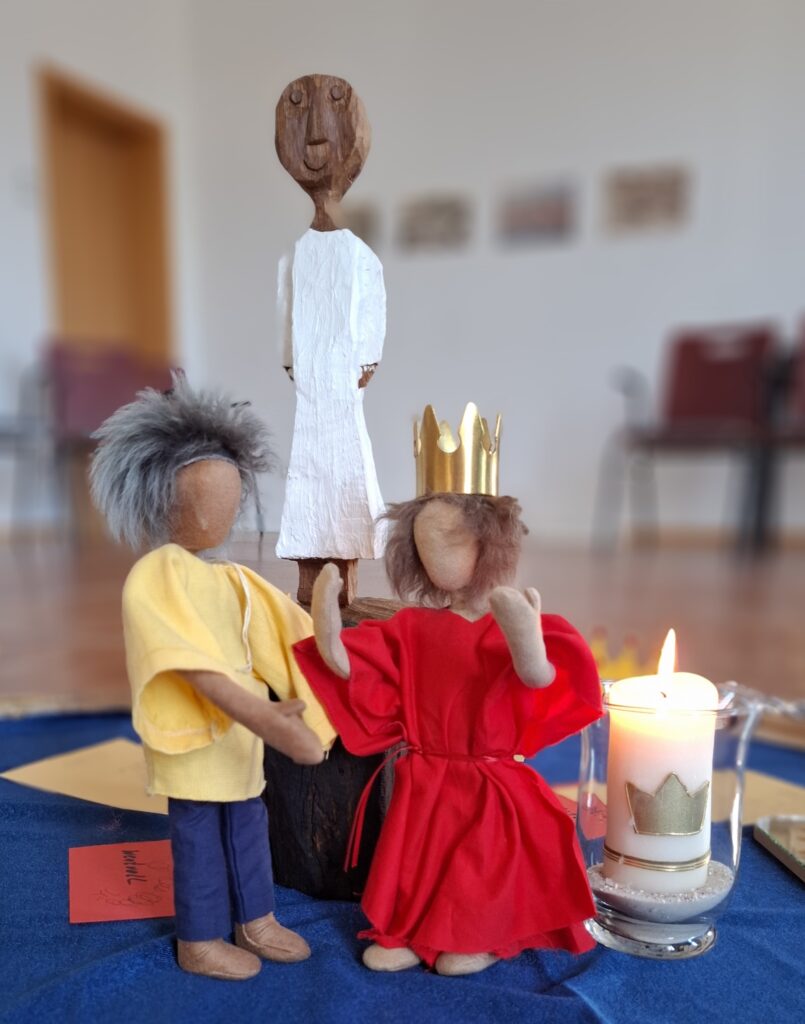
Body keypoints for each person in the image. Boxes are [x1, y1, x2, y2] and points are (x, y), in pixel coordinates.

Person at [294, 491, 603, 976]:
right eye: (424, 545)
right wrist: (328, 626)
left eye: (449, 541)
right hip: (426, 776)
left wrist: (525, 638)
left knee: (477, 864)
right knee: (418, 860)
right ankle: (410, 933)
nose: (435, 557)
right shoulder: (412, 626)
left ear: (489, 544)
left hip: (486, 780)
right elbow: (357, 666)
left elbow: (541, 678)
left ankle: (475, 937)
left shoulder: (512, 620)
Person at [90, 375, 335, 980]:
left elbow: (294, 639)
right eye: (203, 500)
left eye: (228, 498)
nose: (218, 513)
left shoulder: (237, 580)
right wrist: (261, 714)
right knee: (198, 832)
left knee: (249, 824)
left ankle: (257, 919)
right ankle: (198, 939)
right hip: (197, 738)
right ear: (160, 501)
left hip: (244, 744)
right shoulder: (158, 573)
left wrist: (329, 618)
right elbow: (181, 656)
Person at [275, 74, 387, 604]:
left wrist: (365, 360)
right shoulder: (294, 256)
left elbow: (371, 312)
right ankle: (307, 584)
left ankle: (341, 586)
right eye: (300, 109)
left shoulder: (360, 256)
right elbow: (287, 314)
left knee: (343, 476)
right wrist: (293, 361)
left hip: (342, 391)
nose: (317, 131)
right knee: (308, 479)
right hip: (312, 393)